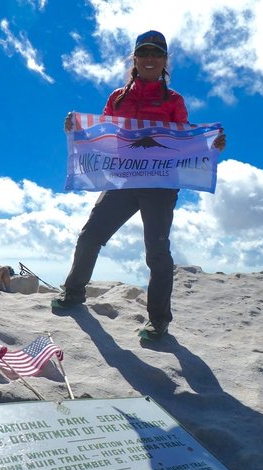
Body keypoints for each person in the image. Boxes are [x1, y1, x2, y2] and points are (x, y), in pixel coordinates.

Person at [54, 31, 226, 337]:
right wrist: (76, 128)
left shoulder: (174, 101)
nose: (150, 59)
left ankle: (158, 320)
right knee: (90, 236)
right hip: (123, 180)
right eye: (144, 53)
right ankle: (74, 293)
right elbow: (102, 133)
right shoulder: (117, 97)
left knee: (156, 252)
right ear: (135, 59)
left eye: (156, 54)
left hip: (160, 186)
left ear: (164, 61)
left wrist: (210, 145)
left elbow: (184, 139)